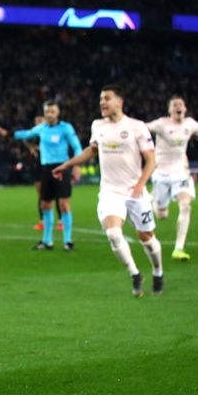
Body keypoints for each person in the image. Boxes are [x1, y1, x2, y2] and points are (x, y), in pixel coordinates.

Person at [53, 84, 163, 297]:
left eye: (107, 98)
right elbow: (91, 151)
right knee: (113, 233)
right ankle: (135, 274)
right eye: (101, 99)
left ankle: (158, 271)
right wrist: (67, 164)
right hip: (110, 192)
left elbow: (151, 160)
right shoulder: (98, 125)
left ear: (119, 102)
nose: (102, 102)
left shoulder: (137, 126)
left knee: (147, 237)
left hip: (135, 191)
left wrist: (141, 184)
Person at [146, 95, 198, 261]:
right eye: (174, 104)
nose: (178, 106)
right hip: (161, 173)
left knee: (185, 205)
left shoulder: (190, 124)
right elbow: (141, 128)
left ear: (185, 109)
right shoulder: (161, 123)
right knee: (162, 215)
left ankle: (179, 249)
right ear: (170, 110)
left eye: (181, 104)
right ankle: (153, 199)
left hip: (181, 172)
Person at [0, 101, 83, 250]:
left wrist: (76, 165)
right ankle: (47, 241)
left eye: (52, 112)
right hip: (46, 168)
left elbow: (77, 147)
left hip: (62, 167)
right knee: (45, 204)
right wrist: (9, 133)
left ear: (58, 113)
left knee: (63, 203)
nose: (49, 114)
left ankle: (67, 241)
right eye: (47, 112)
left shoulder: (66, 128)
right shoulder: (41, 128)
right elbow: (26, 134)